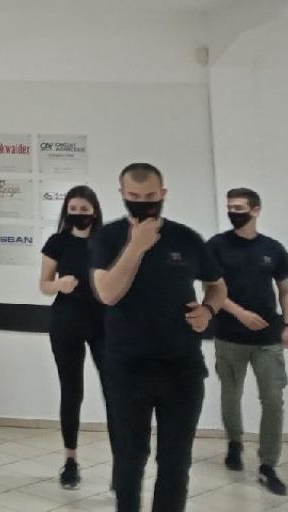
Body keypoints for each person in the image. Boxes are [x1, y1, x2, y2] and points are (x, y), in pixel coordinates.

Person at [91, 162, 227, 512]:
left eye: (150, 196)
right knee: (130, 456)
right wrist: (136, 246)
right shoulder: (108, 237)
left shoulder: (187, 238)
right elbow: (107, 293)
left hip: (181, 365)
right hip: (127, 366)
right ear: (122, 195)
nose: (143, 202)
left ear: (163, 194)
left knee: (176, 459)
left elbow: (217, 286)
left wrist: (208, 310)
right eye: (134, 196)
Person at [208, 187, 288, 496]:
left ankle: (268, 465)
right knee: (231, 395)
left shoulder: (272, 248)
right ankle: (234, 442)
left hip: (268, 337)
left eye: (239, 207)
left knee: (272, 398)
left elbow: (285, 290)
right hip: (229, 336)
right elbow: (212, 290)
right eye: (230, 207)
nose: (234, 212)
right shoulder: (217, 246)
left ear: (255, 210)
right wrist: (240, 313)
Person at [39, 185, 114, 489]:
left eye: (84, 209)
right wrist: (59, 285)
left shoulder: (108, 241)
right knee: (72, 392)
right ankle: (70, 461)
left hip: (104, 323)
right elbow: (44, 284)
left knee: (115, 392)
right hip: (66, 322)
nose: (78, 214)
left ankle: (122, 464)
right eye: (73, 209)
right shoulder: (57, 242)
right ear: (66, 211)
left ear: (94, 211)